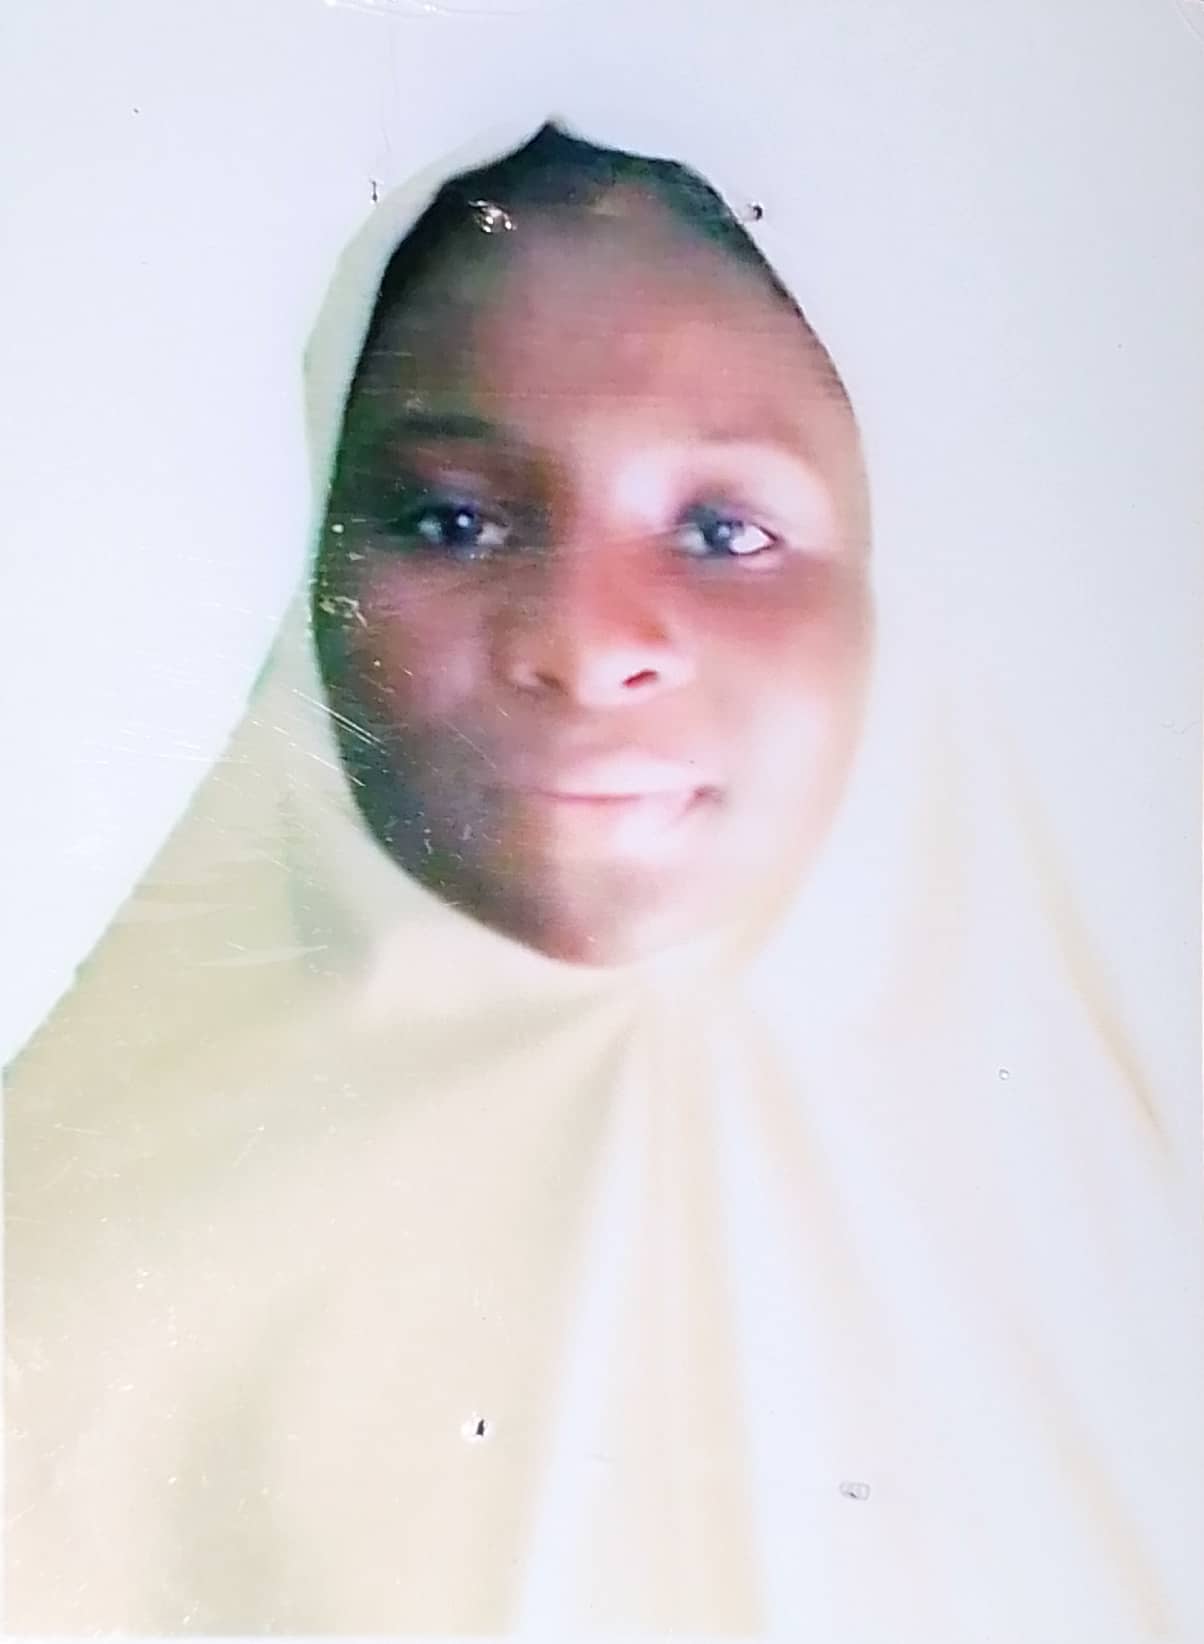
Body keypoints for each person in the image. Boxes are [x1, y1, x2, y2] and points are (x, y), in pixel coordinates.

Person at [5, 122, 1199, 1638]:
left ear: (904, 584)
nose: (583, 640)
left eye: (724, 531)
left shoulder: (1139, 1278)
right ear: (307, 572)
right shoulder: (59, 1271)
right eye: (454, 520)